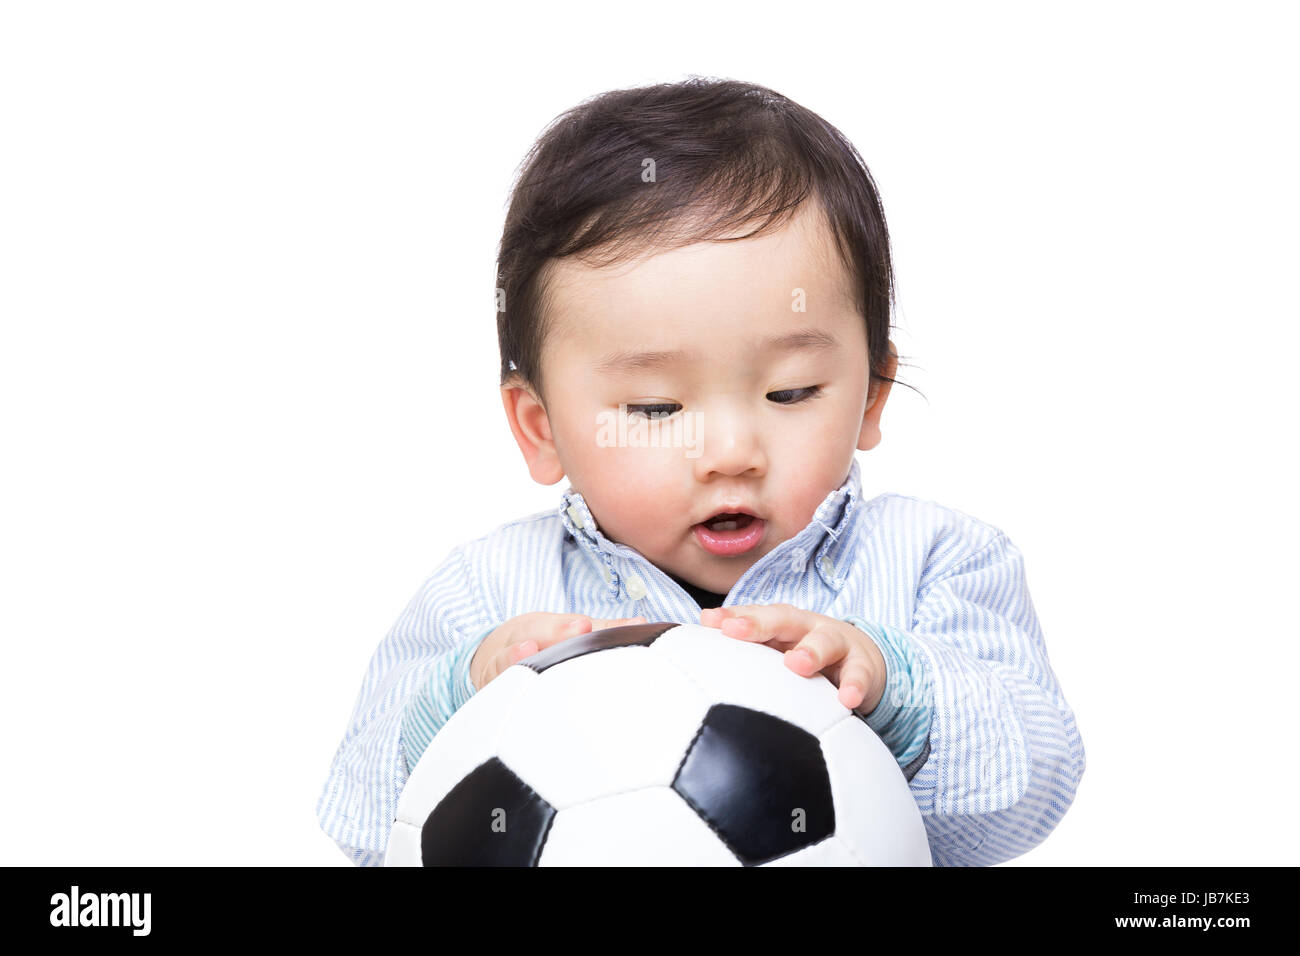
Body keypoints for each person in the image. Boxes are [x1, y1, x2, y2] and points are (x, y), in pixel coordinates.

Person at [316, 76, 1085, 866]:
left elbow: (1030, 792)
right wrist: (456, 704)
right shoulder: (484, 594)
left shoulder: (934, 563)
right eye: (654, 409)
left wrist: (898, 693)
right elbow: (360, 819)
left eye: (791, 393)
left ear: (870, 395)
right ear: (541, 429)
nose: (730, 453)